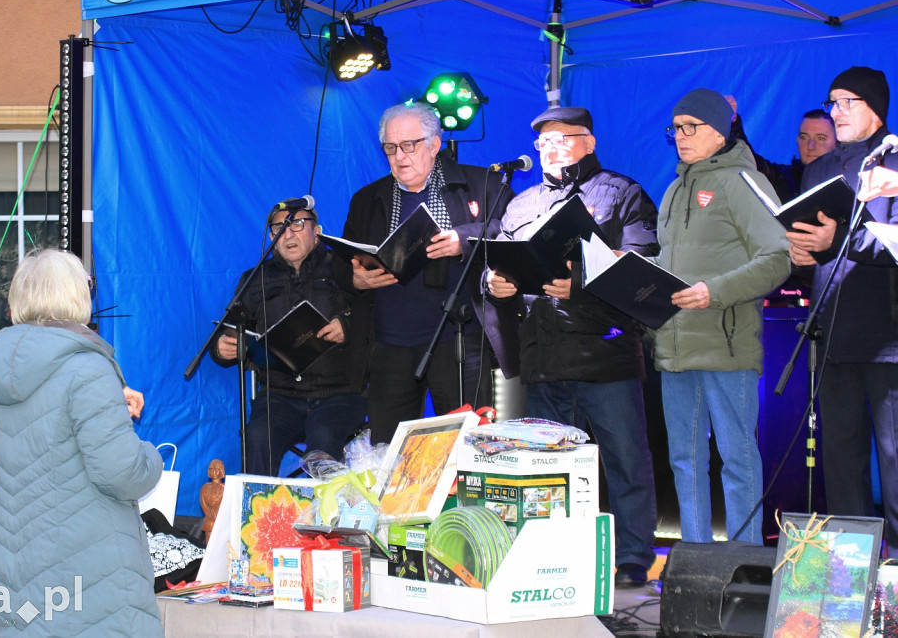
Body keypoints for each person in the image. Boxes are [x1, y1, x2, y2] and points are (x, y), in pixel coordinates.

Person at [484, 106, 660, 588]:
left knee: (624, 460)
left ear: (589, 141)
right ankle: (557, 556)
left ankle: (632, 557)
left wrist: (578, 283)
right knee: (549, 468)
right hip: (543, 356)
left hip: (606, 354)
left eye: (563, 138)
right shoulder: (520, 203)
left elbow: (642, 263)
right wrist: (495, 282)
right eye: (543, 141)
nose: (551, 148)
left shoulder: (621, 193)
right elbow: (499, 256)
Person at [0, 248, 164, 637]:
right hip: (87, 567)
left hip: (19, 560)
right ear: (76, 295)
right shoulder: (86, 367)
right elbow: (122, 472)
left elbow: (49, 435)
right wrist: (152, 456)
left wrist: (110, 400)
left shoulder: (7, 368)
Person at [655, 88, 791, 544]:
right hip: (676, 344)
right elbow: (674, 264)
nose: (680, 136)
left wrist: (715, 292)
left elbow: (778, 258)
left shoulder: (744, 182)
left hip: (726, 344)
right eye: (675, 128)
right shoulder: (674, 189)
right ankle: (694, 561)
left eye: (690, 127)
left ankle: (744, 563)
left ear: (718, 130)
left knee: (737, 458)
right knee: (684, 459)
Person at [334, 102, 514, 444]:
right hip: (389, 345)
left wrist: (463, 239)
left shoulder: (482, 184)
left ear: (434, 144)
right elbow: (342, 265)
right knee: (388, 449)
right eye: (390, 148)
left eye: (409, 145)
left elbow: (513, 232)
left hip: (458, 339)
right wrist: (355, 278)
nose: (400, 156)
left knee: (468, 445)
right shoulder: (367, 199)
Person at [786, 66, 898, 549]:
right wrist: (798, 253)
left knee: (894, 460)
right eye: (832, 102)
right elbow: (815, 244)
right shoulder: (818, 170)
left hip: (887, 338)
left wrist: (842, 239)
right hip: (830, 332)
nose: (836, 111)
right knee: (841, 459)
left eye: (846, 101)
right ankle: (854, 566)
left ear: (875, 107)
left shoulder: (894, 162)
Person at [213, 202, 369, 475]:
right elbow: (229, 331)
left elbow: (378, 318)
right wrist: (222, 348)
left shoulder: (344, 269)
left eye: (297, 224)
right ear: (272, 238)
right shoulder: (255, 279)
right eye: (280, 228)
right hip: (279, 396)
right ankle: (258, 513)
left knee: (323, 438)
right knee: (258, 436)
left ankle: (323, 516)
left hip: (340, 394)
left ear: (317, 232)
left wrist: (348, 326)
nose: (288, 234)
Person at [729, 100, 837, 203]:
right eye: (804, 137)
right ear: (797, 141)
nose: (810, 146)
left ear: (837, 143)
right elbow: (749, 159)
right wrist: (733, 125)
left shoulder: (850, 180)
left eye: (821, 138)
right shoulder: (782, 177)